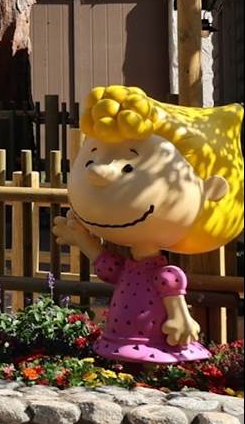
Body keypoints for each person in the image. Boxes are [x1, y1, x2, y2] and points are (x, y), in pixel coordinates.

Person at [52, 85, 243, 364]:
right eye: (90, 158)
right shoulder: (131, 267)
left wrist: (181, 319)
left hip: (156, 341)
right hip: (118, 339)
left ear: (209, 188)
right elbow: (109, 268)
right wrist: (82, 239)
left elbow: (172, 298)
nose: (97, 171)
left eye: (129, 167)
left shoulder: (166, 275)